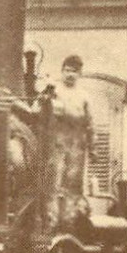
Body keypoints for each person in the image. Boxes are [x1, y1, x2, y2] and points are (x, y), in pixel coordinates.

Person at [47, 54, 94, 229]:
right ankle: (50, 221)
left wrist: (93, 147)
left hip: (77, 146)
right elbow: (39, 110)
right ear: (62, 71)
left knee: (73, 186)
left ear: (79, 73)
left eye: (74, 71)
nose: (70, 74)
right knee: (53, 183)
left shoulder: (84, 96)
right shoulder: (54, 91)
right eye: (67, 70)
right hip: (57, 143)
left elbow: (90, 123)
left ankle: (69, 223)